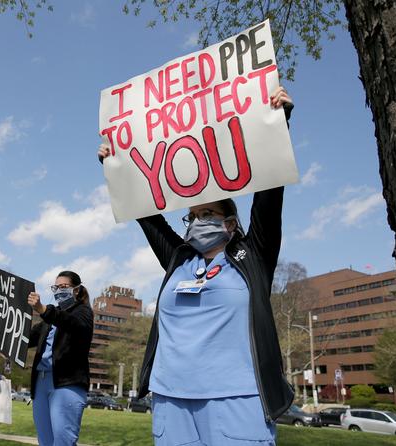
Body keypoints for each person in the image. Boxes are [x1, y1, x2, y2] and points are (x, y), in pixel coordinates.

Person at [97, 86, 294, 445]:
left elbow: (269, 194)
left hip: (238, 402)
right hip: (171, 400)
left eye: (207, 214)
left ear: (230, 223)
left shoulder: (253, 256)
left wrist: (278, 123)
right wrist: (115, 167)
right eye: (191, 216)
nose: (196, 221)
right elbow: (148, 217)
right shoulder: (179, 259)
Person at [27, 271, 94, 446]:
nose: (58, 291)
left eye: (64, 287)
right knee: (45, 441)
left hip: (66, 384)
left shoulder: (83, 312)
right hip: (41, 383)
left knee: (64, 441)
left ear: (77, 290)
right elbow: (27, 338)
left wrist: (43, 309)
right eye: (55, 287)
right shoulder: (50, 316)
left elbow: (72, 324)